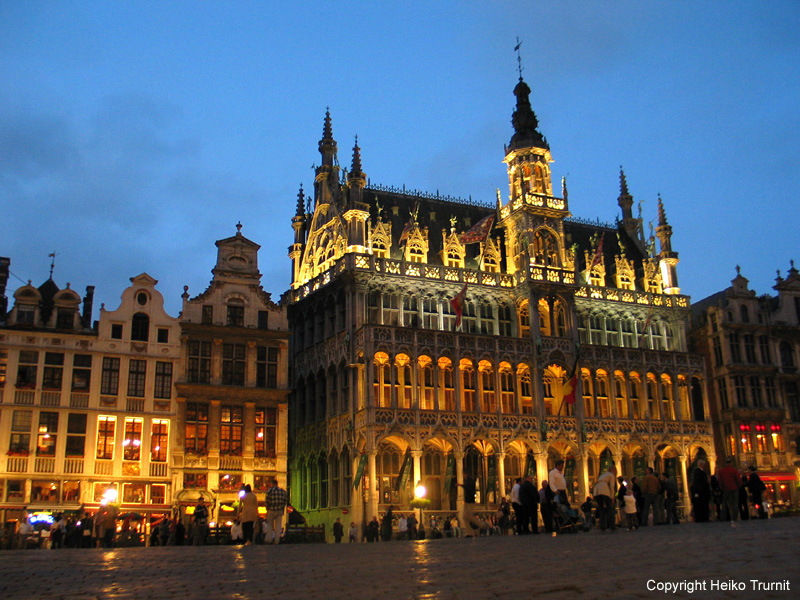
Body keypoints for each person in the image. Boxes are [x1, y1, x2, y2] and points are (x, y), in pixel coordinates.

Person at [458, 470, 487, 536]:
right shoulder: (468, 480)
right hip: (468, 501)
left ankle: (482, 525)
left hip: (470, 501)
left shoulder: (469, 480)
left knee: (468, 516)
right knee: (465, 517)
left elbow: (468, 487)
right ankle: (470, 532)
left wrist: (461, 485)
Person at [264, 477, 288, 544]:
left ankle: (269, 539)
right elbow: (285, 501)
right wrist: (282, 506)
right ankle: (277, 540)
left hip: (271, 509)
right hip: (279, 510)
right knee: (278, 526)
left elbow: (267, 501)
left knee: (270, 525)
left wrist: (268, 507)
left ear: (272, 484)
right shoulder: (282, 491)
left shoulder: (270, 491)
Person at [593, 465, 617, 531]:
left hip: (596, 491)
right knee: (610, 509)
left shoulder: (602, 475)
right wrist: (612, 497)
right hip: (605, 491)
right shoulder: (611, 475)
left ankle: (602, 526)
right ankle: (612, 525)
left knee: (601, 509)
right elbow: (612, 487)